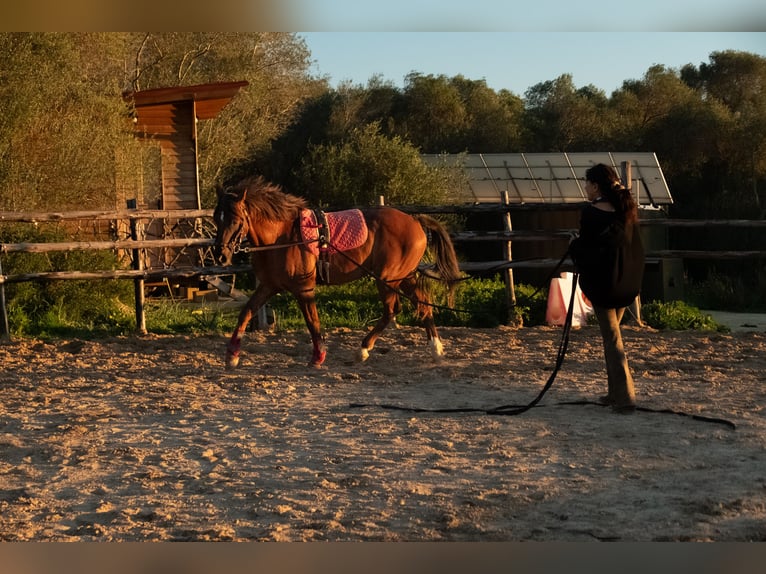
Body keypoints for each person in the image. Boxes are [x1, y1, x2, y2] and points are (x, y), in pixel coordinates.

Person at [569, 163, 645, 414]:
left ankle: (624, 398)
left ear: (596, 186)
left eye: (587, 184)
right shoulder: (626, 210)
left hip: (605, 285)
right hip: (626, 283)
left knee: (613, 339)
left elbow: (589, 247)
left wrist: (573, 245)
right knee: (612, 337)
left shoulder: (591, 213)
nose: (585, 188)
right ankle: (615, 393)